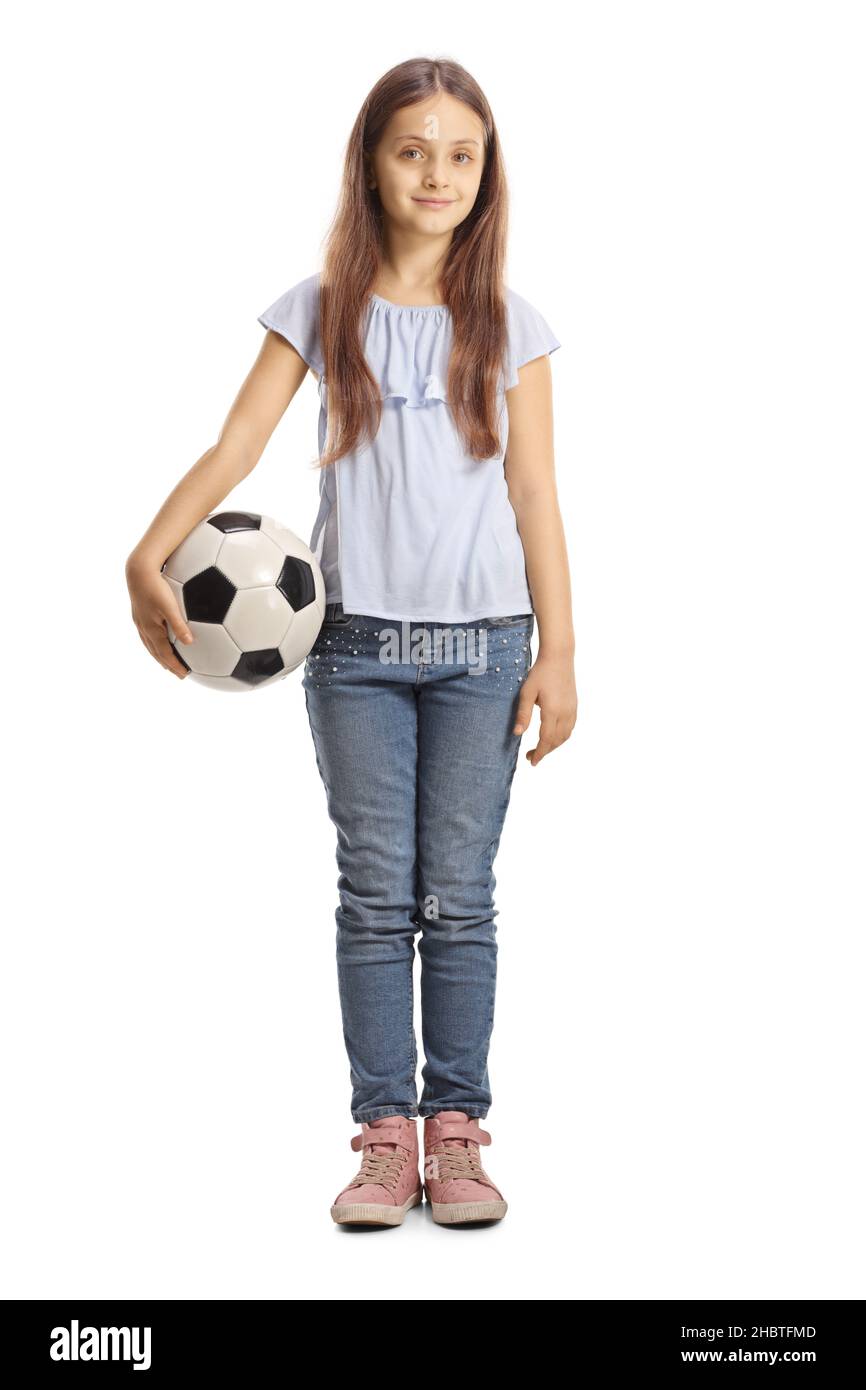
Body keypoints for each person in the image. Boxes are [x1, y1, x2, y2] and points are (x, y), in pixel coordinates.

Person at [126, 56, 578, 1229]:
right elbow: (236, 445)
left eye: (460, 154)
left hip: (484, 651)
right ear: (370, 165)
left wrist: (561, 648)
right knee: (376, 895)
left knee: (459, 895)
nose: (437, 173)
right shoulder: (321, 308)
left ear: (486, 173)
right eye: (411, 150)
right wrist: (147, 551)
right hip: (356, 651)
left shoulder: (510, 326)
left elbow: (534, 491)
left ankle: (456, 1133)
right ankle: (385, 1140)